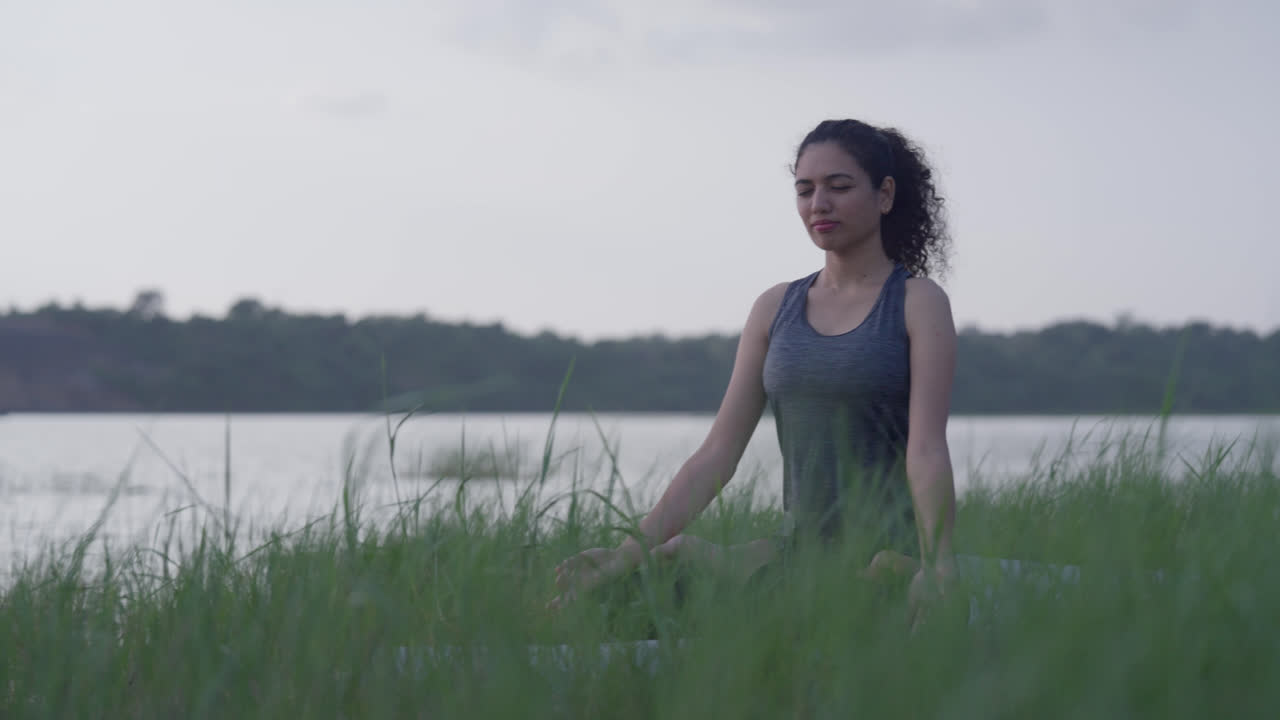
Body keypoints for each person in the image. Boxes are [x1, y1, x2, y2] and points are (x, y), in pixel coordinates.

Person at [551, 118, 959, 626]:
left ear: (884, 194)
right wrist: (624, 554)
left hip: (884, 555)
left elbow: (926, 449)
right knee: (640, 580)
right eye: (805, 190)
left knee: (836, 600)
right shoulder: (775, 307)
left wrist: (939, 564)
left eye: (839, 187)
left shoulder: (917, 303)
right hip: (798, 547)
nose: (819, 204)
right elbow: (717, 455)